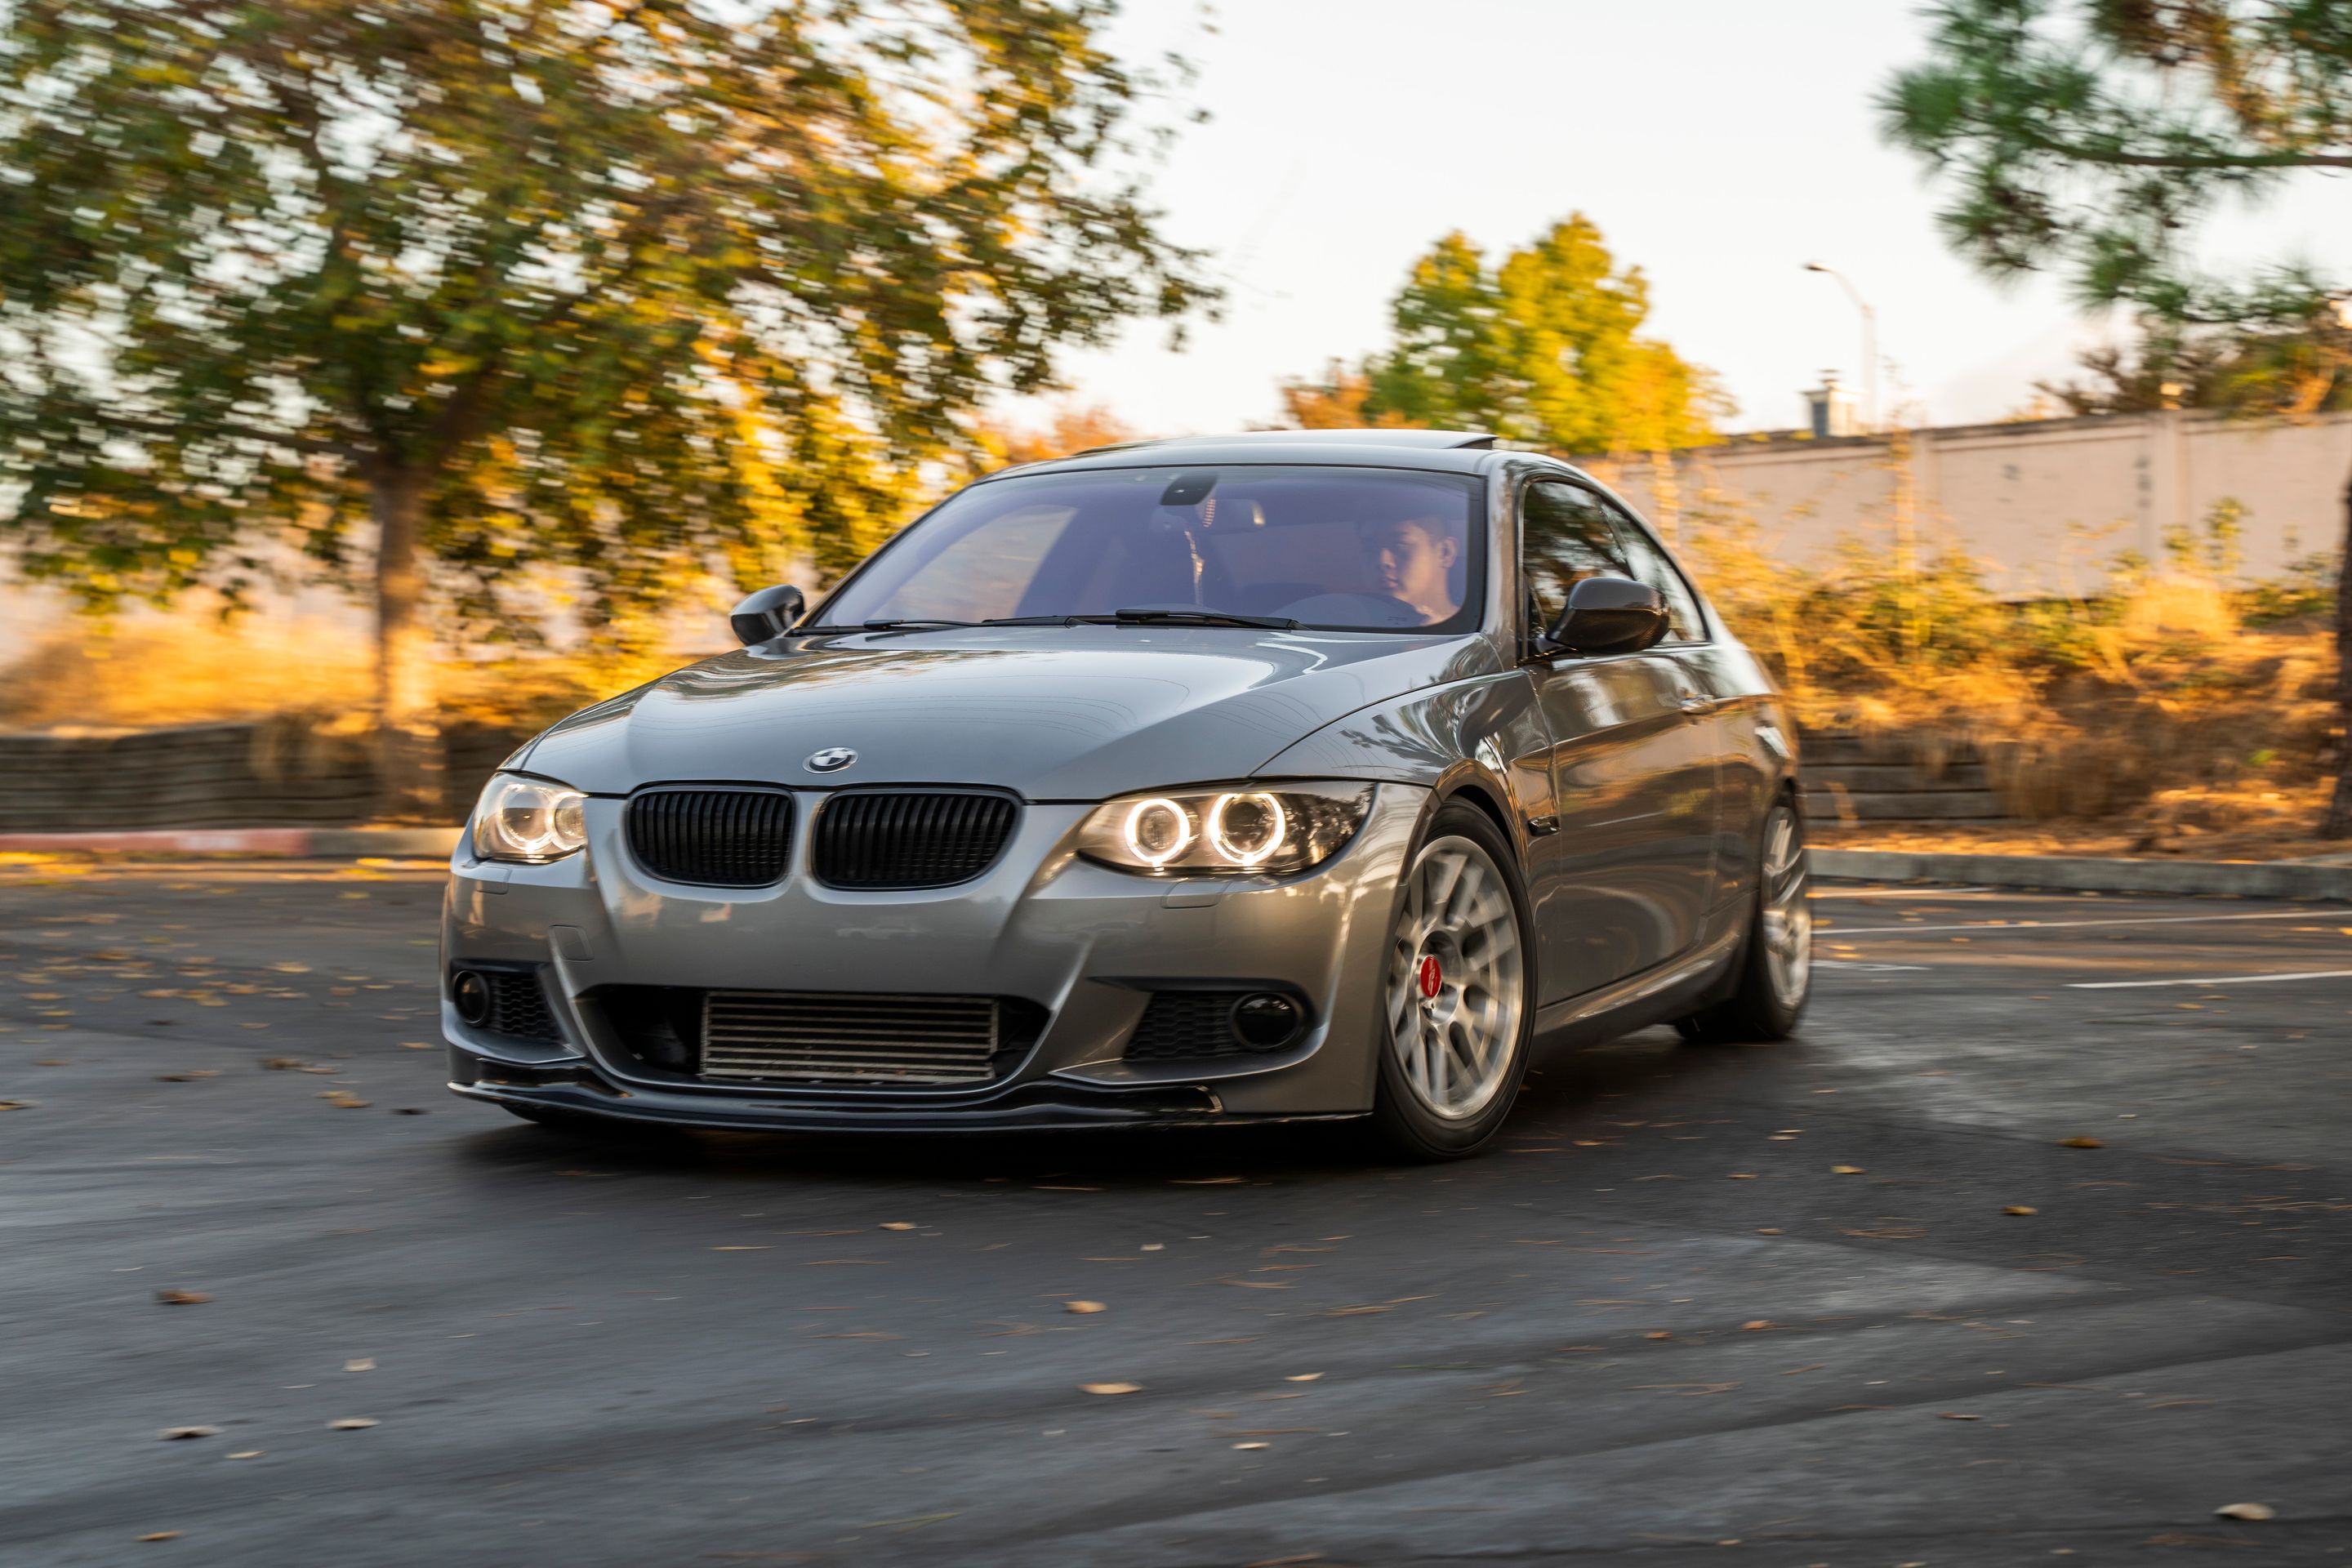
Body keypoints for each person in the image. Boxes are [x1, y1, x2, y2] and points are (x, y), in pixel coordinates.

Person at [1360, 513, 1463, 625]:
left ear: (1445, 552)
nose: (1382, 561)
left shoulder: (1475, 631)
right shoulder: (1350, 626)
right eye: (1369, 549)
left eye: (1400, 545)